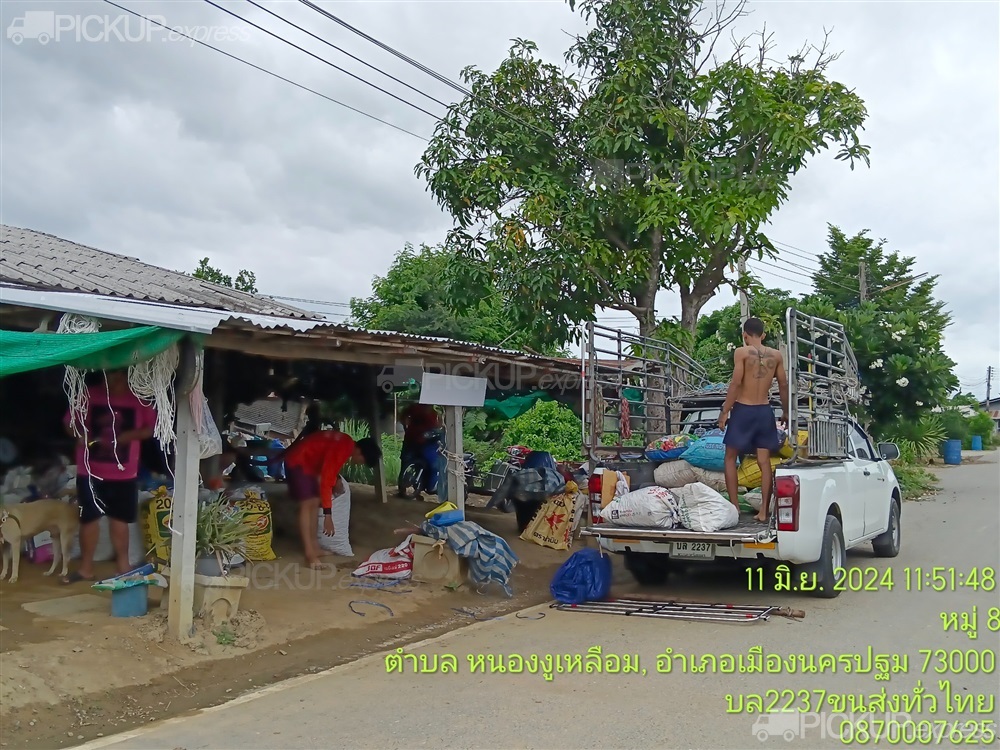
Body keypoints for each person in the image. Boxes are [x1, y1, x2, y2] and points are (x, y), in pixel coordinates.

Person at [62, 370, 157, 583]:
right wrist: (79, 434)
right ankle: (86, 568)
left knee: (120, 519)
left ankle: (123, 566)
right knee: (89, 519)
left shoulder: (139, 399)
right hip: (89, 470)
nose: (115, 379)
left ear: (128, 376)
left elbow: (149, 430)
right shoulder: (88, 394)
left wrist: (129, 436)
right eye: (111, 375)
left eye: (120, 375)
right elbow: (69, 422)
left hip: (124, 471)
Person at [718, 318, 789, 523]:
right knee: (764, 462)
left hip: (743, 410)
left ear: (745, 335)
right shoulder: (776, 356)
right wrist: (785, 411)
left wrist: (725, 411)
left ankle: (735, 509)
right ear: (764, 335)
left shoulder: (741, 352)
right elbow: (783, 385)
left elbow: (736, 382)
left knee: (730, 458)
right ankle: (764, 512)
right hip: (764, 411)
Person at [283, 429, 381, 568]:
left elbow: (329, 470)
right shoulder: (343, 448)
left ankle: (315, 547)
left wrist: (335, 481)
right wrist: (328, 514)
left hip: (310, 464)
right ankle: (310, 555)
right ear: (359, 452)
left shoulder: (346, 445)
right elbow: (326, 481)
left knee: (315, 501)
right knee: (308, 504)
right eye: (362, 461)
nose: (360, 464)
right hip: (298, 461)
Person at [397, 403, 440, 497]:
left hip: (423, 442)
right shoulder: (416, 408)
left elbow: (437, 427)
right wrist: (405, 425)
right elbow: (403, 415)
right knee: (407, 463)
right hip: (413, 440)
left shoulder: (433, 413)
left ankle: (418, 489)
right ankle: (403, 489)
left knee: (423, 464)